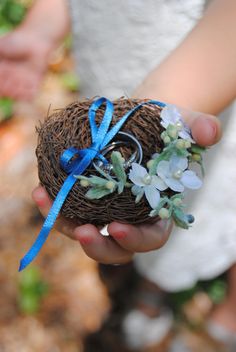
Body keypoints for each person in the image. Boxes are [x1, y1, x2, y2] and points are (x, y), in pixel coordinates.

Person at [0, 0, 235, 350]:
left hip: (202, 87)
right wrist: (42, 27)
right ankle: (151, 287)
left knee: (217, 209)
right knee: (145, 230)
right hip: (109, 78)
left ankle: (226, 313)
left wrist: (151, 122)